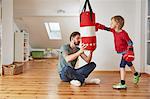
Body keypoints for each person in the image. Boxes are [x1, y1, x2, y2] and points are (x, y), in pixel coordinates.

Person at [95, 15, 141, 89]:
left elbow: (130, 42)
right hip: (121, 52)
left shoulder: (124, 33)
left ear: (117, 24)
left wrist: (130, 51)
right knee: (129, 64)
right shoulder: (114, 30)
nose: (110, 24)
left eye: (112, 23)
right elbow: (107, 28)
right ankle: (136, 74)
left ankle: (123, 83)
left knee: (122, 66)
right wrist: (99, 26)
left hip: (126, 52)